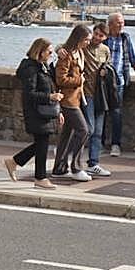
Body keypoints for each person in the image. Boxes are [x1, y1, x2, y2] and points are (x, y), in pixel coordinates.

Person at [5, 38, 62, 190]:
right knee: (42, 143)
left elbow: (52, 87)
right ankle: (40, 178)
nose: (51, 54)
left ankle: (15, 162)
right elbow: (30, 94)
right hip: (36, 111)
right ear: (40, 51)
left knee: (41, 144)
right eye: (49, 52)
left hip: (46, 111)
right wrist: (49, 97)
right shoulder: (30, 69)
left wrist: (58, 111)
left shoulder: (44, 67)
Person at [102, 12, 135, 156]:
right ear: (110, 24)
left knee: (116, 113)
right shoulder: (102, 38)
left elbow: (133, 58)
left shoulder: (125, 38)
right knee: (102, 112)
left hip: (119, 81)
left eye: (123, 22)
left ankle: (115, 144)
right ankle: (99, 142)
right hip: (102, 82)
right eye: (119, 22)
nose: (122, 24)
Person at [51, 24, 92, 182]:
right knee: (84, 130)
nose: (88, 42)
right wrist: (79, 80)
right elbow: (60, 79)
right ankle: (76, 167)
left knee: (67, 134)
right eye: (86, 40)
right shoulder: (66, 55)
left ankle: (59, 168)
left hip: (76, 98)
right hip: (67, 100)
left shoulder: (79, 52)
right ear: (78, 39)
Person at [81, 22, 113, 177]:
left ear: (105, 37)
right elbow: (66, 46)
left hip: (100, 95)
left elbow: (109, 67)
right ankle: (72, 159)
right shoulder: (84, 45)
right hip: (86, 93)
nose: (97, 37)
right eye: (96, 34)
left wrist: (106, 72)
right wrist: (60, 50)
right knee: (88, 129)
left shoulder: (105, 50)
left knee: (98, 131)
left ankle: (93, 162)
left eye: (101, 35)